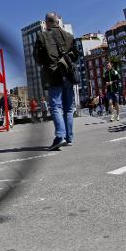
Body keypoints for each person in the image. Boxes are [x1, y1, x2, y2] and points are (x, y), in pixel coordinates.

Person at [34, 12, 79, 150]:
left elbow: (37, 58)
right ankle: (69, 138)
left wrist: (48, 62)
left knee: (55, 107)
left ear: (47, 22)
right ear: (57, 22)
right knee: (69, 108)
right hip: (68, 75)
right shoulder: (69, 36)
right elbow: (76, 56)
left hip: (53, 75)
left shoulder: (42, 36)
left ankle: (60, 136)